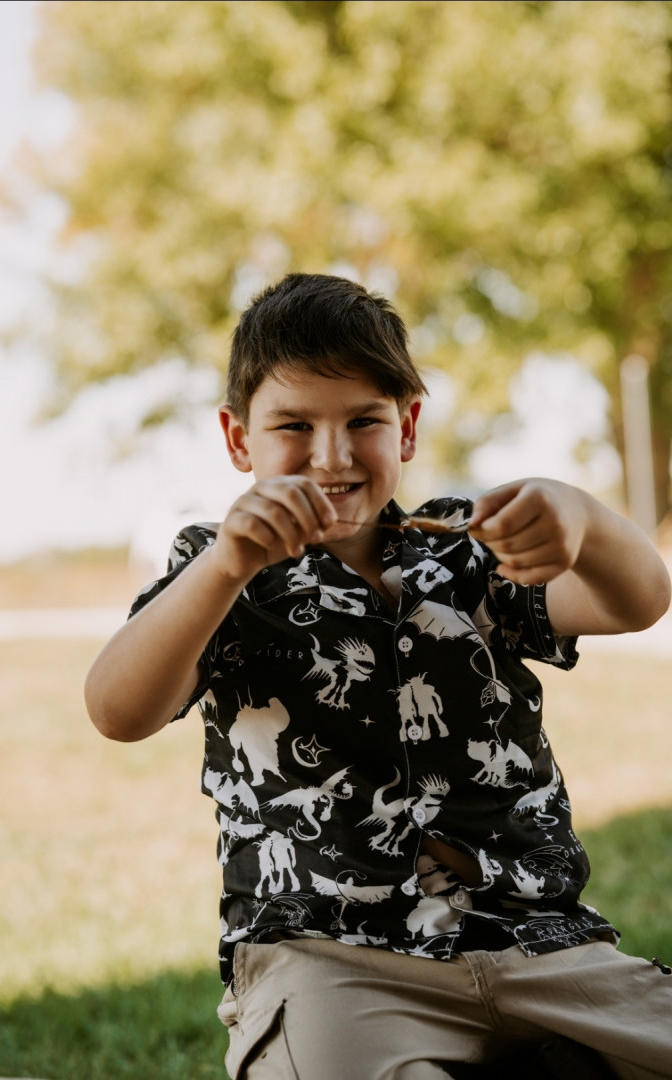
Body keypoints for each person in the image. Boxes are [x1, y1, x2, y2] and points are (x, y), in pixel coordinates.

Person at [85, 274, 672, 1080]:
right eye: (293, 425)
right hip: (333, 961)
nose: (331, 455)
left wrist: (583, 519)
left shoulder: (468, 552)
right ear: (238, 440)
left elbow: (637, 602)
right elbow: (116, 710)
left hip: (536, 943)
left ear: (406, 429)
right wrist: (224, 566)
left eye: (362, 420)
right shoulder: (216, 572)